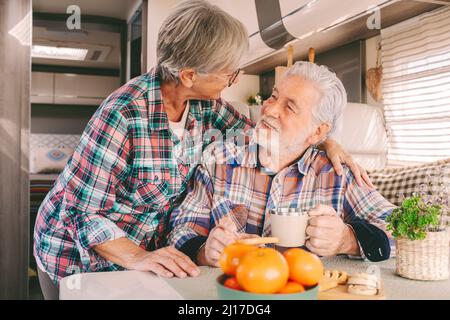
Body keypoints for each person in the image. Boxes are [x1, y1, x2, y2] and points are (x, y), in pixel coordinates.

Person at [34, 0, 371, 299]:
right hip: (75, 255)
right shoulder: (122, 115)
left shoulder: (205, 105)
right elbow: (83, 214)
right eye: (229, 72)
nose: (235, 80)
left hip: (146, 256)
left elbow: (265, 132)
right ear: (190, 75)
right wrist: (138, 256)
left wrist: (324, 138)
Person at [168, 61, 395, 267]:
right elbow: (181, 229)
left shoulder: (337, 174)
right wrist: (204, 251)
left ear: (318, 131)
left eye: (290, 107)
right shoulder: (218, 160)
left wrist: (348, 240)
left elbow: (405, 230)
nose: (269, 109)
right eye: (274, 96)